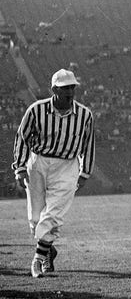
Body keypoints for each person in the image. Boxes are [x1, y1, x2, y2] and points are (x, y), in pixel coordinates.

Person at [12, 69, 95, 278]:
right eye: (65, 88)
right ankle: (48, 249)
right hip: (38, 162)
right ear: (53, 89)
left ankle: (38, 260)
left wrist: (85, 172)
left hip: (67, 165)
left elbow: (89, 144)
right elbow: (22, 138)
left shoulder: (85, 114)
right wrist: (20, 167)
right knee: (35, 218)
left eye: (72, 87)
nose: (70, 92)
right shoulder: (36, 110)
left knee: (54, 215)